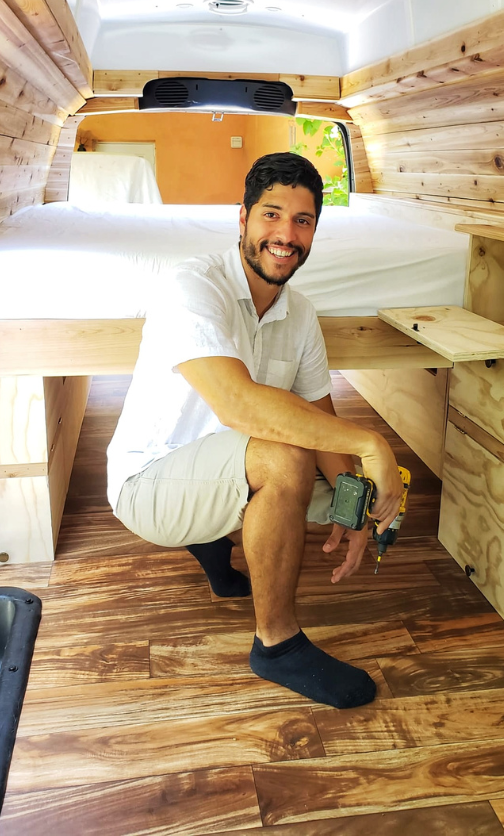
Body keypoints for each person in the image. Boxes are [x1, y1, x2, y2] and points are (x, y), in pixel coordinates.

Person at [107, 152, 403, 709]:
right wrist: (375, 443)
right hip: (148, 483)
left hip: (217, 471)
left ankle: (211, 543)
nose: (286, 235)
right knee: (284, 457)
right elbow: (240, 407)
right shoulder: (191, 286)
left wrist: (355, 508)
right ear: (241, 219)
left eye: (303, 220)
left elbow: (322, 424)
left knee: (314, 465)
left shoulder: (301, 313)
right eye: (271, 215)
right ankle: (277, 645)